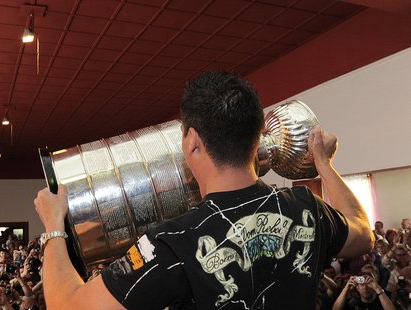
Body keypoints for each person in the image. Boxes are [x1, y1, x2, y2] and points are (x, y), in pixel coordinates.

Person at [33, 71, 375, 309]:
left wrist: (53, 227)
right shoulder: (305, 208)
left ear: (193, 141)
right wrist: (323, 164)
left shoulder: (172, 242)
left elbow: (67, 305)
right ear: (255, 135)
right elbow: (362, 232)